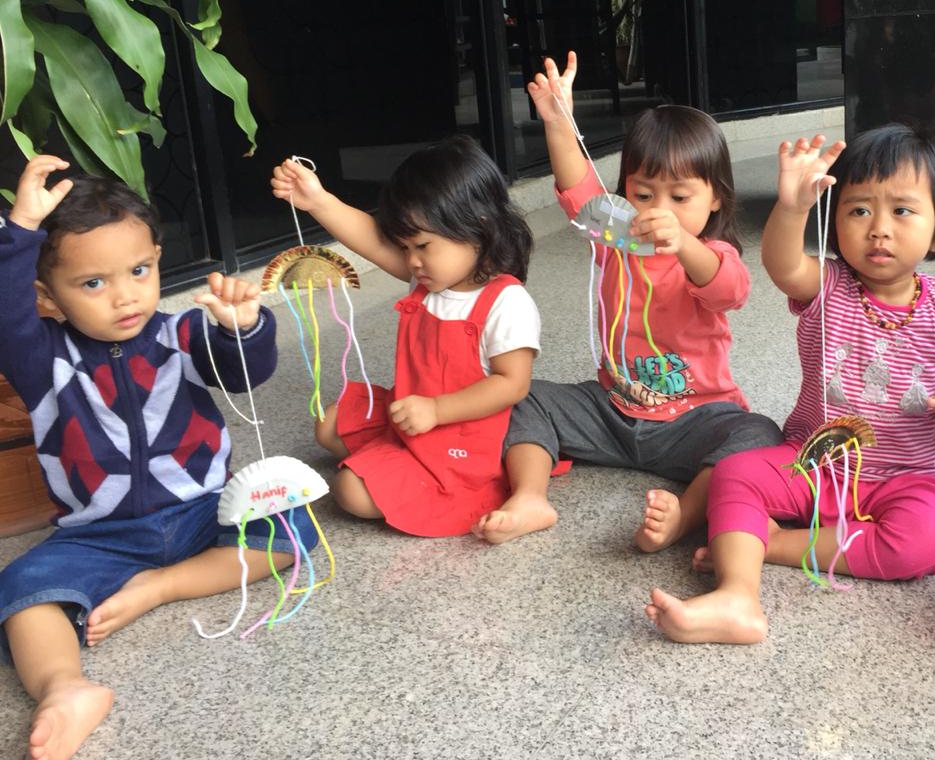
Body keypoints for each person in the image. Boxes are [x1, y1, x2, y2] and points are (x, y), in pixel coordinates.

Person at [0, 156, 311, 760]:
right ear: (47, 295)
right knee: (21, 588)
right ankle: (64, 690)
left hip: (204, 513)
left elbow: (247, 374)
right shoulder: (43, 361)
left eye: (139, 270)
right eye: (93, 283)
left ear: (158, 260)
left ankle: (161, 586)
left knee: (290, 533)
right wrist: (21, 232)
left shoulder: (183, 335)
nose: (124, 297)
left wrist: (242, 328)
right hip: (101, 537)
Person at [647, 123, 935, 643]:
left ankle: (774, 543)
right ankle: (737, 596)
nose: (879, 228)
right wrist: (792, 207)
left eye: (902, 210)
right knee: (734, 474)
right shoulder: (827, 285)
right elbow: (782, 264)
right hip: (814, 459)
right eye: (858, 210)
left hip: (909, 473)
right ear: (835, 225)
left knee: (928, 542)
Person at [472, 52, 781, 548]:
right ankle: (530, 495)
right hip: (612, 410)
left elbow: (730, 290)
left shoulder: (712, 254)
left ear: (717, 198)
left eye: (680, 198)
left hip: (694, 418)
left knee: (760, 434)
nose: (659, 211)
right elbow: (578, 184)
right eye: (643, 194)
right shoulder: (613, 235)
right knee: (522, 394)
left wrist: (684, 245)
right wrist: (558, 121)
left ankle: (686, 513)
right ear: (625, 194)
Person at [270, 135, 542, 537]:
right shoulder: (432, 278)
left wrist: (437, 411)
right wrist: (318, 201)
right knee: (328, 424)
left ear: (478, 226)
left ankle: (424, 475)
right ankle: (398, 459)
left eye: (422, 246)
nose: (411, 261)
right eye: (405, 247)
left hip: (462, 435)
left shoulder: (506, 302)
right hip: (414, 412)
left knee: (352, 491)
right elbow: (372, 238)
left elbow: (512, 384)